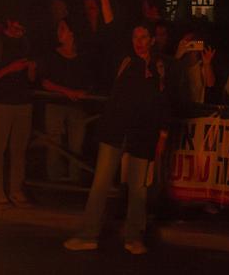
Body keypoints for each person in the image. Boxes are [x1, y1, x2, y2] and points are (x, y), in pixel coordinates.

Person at [65, 22, 170, 255]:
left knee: (138, 189)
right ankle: (88, 235)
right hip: (115, 131)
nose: (138, 42)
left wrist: (163, 133)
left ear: (152, 40)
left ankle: (134, 237)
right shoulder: (125, 60)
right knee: (100, 183)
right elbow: (111, 31)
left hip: (142, 134)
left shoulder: (160, 66)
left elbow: (164, 102)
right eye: (135, 37)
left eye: (143, 37)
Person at [0, 8, 35, 205]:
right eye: (17, 25)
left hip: (23, 102)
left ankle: (15, 190)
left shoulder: (26, 43)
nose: (20, 29)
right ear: (9, 21)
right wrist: (10, 69)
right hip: (0, 102)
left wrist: (31, 69)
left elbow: (31, 78)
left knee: (19, 149)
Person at [39, 17, 95, 183]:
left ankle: (74, 180)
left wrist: (84, 92)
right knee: (53, 143)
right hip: (55, 106)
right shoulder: (52, 55)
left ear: (72, 32)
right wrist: (67, 92)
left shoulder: (83, 57)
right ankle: (54, 179)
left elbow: (89, 81)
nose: (58, 32)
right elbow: (45, 82)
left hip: (76, 107)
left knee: (76, 145)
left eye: (62, 28)